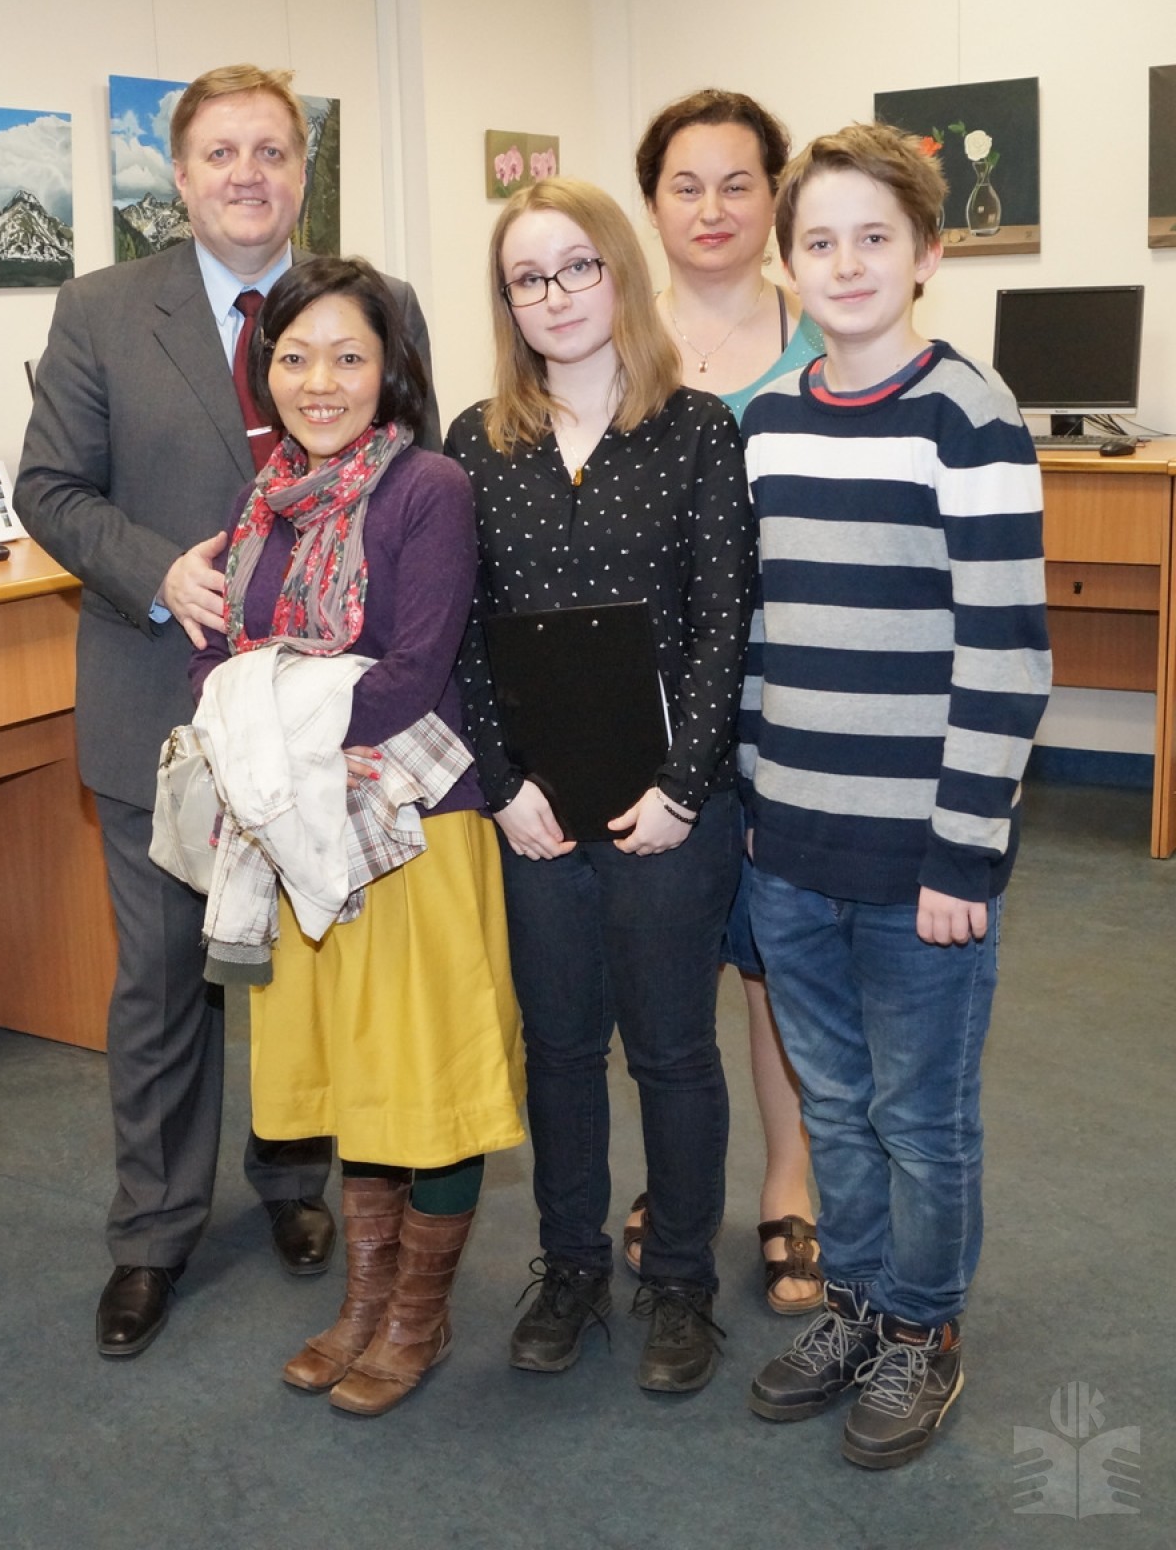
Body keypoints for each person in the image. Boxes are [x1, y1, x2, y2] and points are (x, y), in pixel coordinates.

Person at [14, 63, 440, 1359]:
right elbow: (51, 488)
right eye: (220, 153)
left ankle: (294, 1180)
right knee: (163, 984)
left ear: (302, 171)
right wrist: (160, 572)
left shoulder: (372, 305)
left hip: (331, 724)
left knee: (307, 961)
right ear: (180, 174)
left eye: (271, 151)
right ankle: (152, 1234)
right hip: (163, 702)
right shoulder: (100, 311)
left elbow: (414, 470)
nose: (247, 174)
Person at [740, 122, 1051, 1467]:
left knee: (921, 1118)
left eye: (876, 237)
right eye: (819, 241)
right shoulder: (766, 425)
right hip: (789, 847)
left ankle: (923, 1324)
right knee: (831, 1102)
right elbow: (756, 636)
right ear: (786, 263)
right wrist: (752, 818)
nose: (847, 262)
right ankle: (857, 1303)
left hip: (923, 860)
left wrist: (963, 854)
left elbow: (1006, 654)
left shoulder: (966, 416)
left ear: (926, 254)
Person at [188, 255, 524, 1416]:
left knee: (425, 1080)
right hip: (298, 841)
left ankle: (417, 1317)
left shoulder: (428, 487)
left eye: (347, 356)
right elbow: (212, 664)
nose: (318, 381)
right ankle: (364, 1300)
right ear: (264, 370)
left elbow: (409, 677)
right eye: (294, 356)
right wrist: (261, 700)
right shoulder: (263, 499)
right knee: (355, 1082)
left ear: (390, 371)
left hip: (410, 831)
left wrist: (264, 706)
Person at [448, 178, 753, 1395]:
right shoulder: (477, 440)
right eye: (527, 278)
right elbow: (464, 632)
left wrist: (682, 786)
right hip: (536, 812)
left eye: (577, 266)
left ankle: (678, 1278)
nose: (555, 295)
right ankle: (571, 1264)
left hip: (671, 807)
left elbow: (725, 624)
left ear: (619, 271)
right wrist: (500, 786)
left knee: (671, 1050)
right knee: (561, 1050)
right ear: (506, 303)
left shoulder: (697, 429)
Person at [625, 88, 826, 1312]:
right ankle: (677, 1175)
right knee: (667, 961)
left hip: (784, 703)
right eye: (683, 185)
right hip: (649, 710)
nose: (710, 208)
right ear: (649, 203)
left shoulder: (827, 333)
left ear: (773, 197)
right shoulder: (609, 338)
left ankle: (787, 1182)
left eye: (736, 183)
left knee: (772, 962)